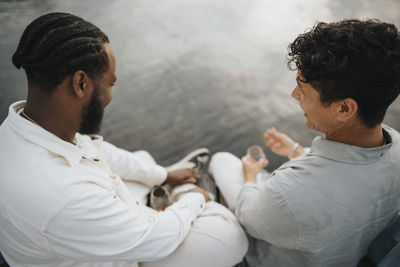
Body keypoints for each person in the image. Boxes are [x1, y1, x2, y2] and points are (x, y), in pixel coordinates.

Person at [0, 12, 248, 266]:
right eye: (111, 84)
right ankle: (183, 194)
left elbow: (100, 150)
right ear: (81, 84)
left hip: (89, 228)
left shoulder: (22, 128)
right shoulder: (64, 196)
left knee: (142, 160)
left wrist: (163, 174)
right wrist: (193, 198)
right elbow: (155, 240)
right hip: (123, 253)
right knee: (229, 237)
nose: (110, 96)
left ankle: (162, 191)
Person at [209, 19, 400, 267]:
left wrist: (249, 176)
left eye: (303, 89)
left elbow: (248, 217)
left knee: (220, 161)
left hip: (265, 255)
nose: (294, 95)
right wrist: (296, 151)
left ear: (344, 108)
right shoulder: (396, 147)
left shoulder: (290, 192)